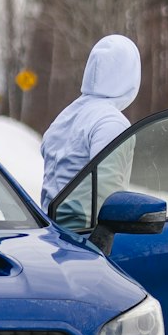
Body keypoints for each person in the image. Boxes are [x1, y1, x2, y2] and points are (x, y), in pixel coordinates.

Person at [39, 34, 141, 231]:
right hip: (85, 242)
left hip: (51, 233)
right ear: (132, 75)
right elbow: (106, 199)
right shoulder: (111, 123)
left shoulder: (66, 116)